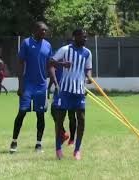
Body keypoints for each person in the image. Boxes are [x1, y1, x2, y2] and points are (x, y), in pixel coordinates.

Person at [9, 21, 52, 153]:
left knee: (40, 115)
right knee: (22, 112)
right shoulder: (26, 43)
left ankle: (38, 144)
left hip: (42, 86)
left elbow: (50, 64)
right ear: (35, 30)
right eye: (42, 30)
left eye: (46, 30)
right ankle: (14, 142)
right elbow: (20, 63)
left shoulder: (48, 45)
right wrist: (20, 85)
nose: (44, 32)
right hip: (27, 85)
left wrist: (50, 85)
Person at [49, 28, 92, 160]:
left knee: (82, 120)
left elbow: (88, 68)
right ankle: (58, 149)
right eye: (83, 36)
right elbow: (50, 61)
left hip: (79, 91)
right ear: (74, 37)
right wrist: (62, 64)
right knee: (60, 119)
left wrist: (89, 77)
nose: (85, 39)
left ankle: (77, 150)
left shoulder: (87, 53)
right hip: (65, 91)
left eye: (86, 37)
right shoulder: (65, 49)